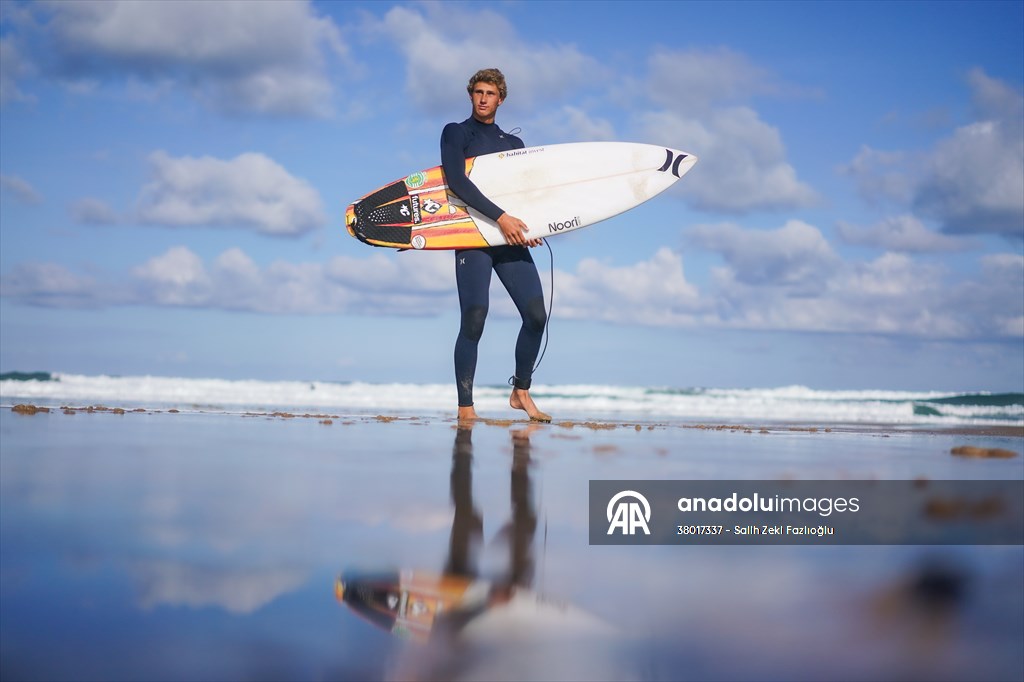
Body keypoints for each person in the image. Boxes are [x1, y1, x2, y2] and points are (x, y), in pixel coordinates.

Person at [441, 68, 550, 423]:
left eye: (490, 93)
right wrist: (502, 217)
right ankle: (466, 408)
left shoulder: (513, 146)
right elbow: (457, 182)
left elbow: (522, 195)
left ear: (501, 99)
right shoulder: (457, 133)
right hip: (473, 235)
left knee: (536, 316)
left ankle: (521, 391)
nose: (483, 98)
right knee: (474, 318)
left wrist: (527, 225)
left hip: (508, 237)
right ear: (471, 95)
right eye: (478, 92)